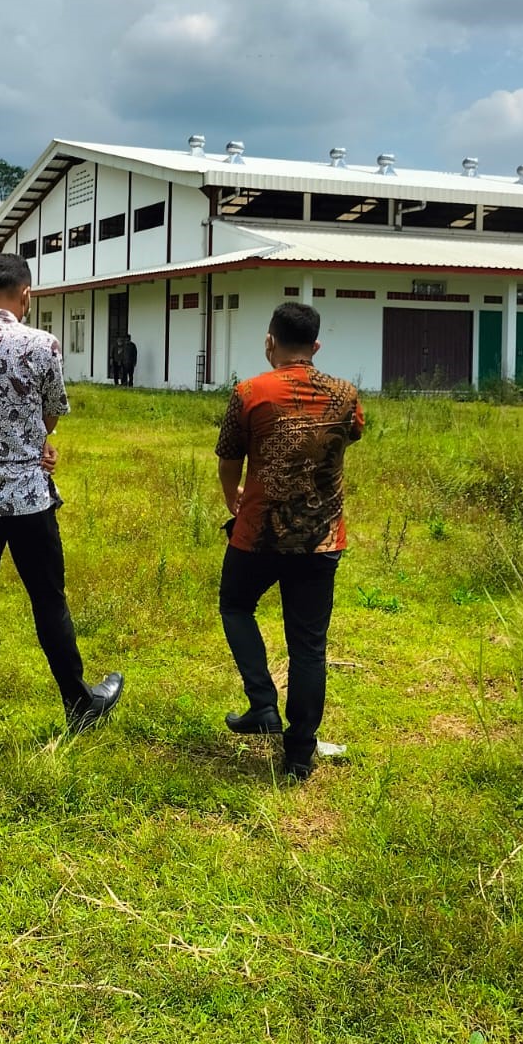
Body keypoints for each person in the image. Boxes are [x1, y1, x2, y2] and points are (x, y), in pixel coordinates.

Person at [0, 252, 124, 771]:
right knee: (48, 603)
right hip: (27, 498)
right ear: (26, 295)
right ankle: (79, 704)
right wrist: (33, 442)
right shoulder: (43, 344)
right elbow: (51, 414)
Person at [215, 301, 363, 780]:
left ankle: (262, 702)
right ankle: (299, 755)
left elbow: (229, 460)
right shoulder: (345, 394)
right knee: (308, 647)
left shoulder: (249, 392)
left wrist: (232, 499)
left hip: (258, 534)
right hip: (321, 539)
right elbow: (352, 435)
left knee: (236, 605)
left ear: (269, 341)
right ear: (316, 346)